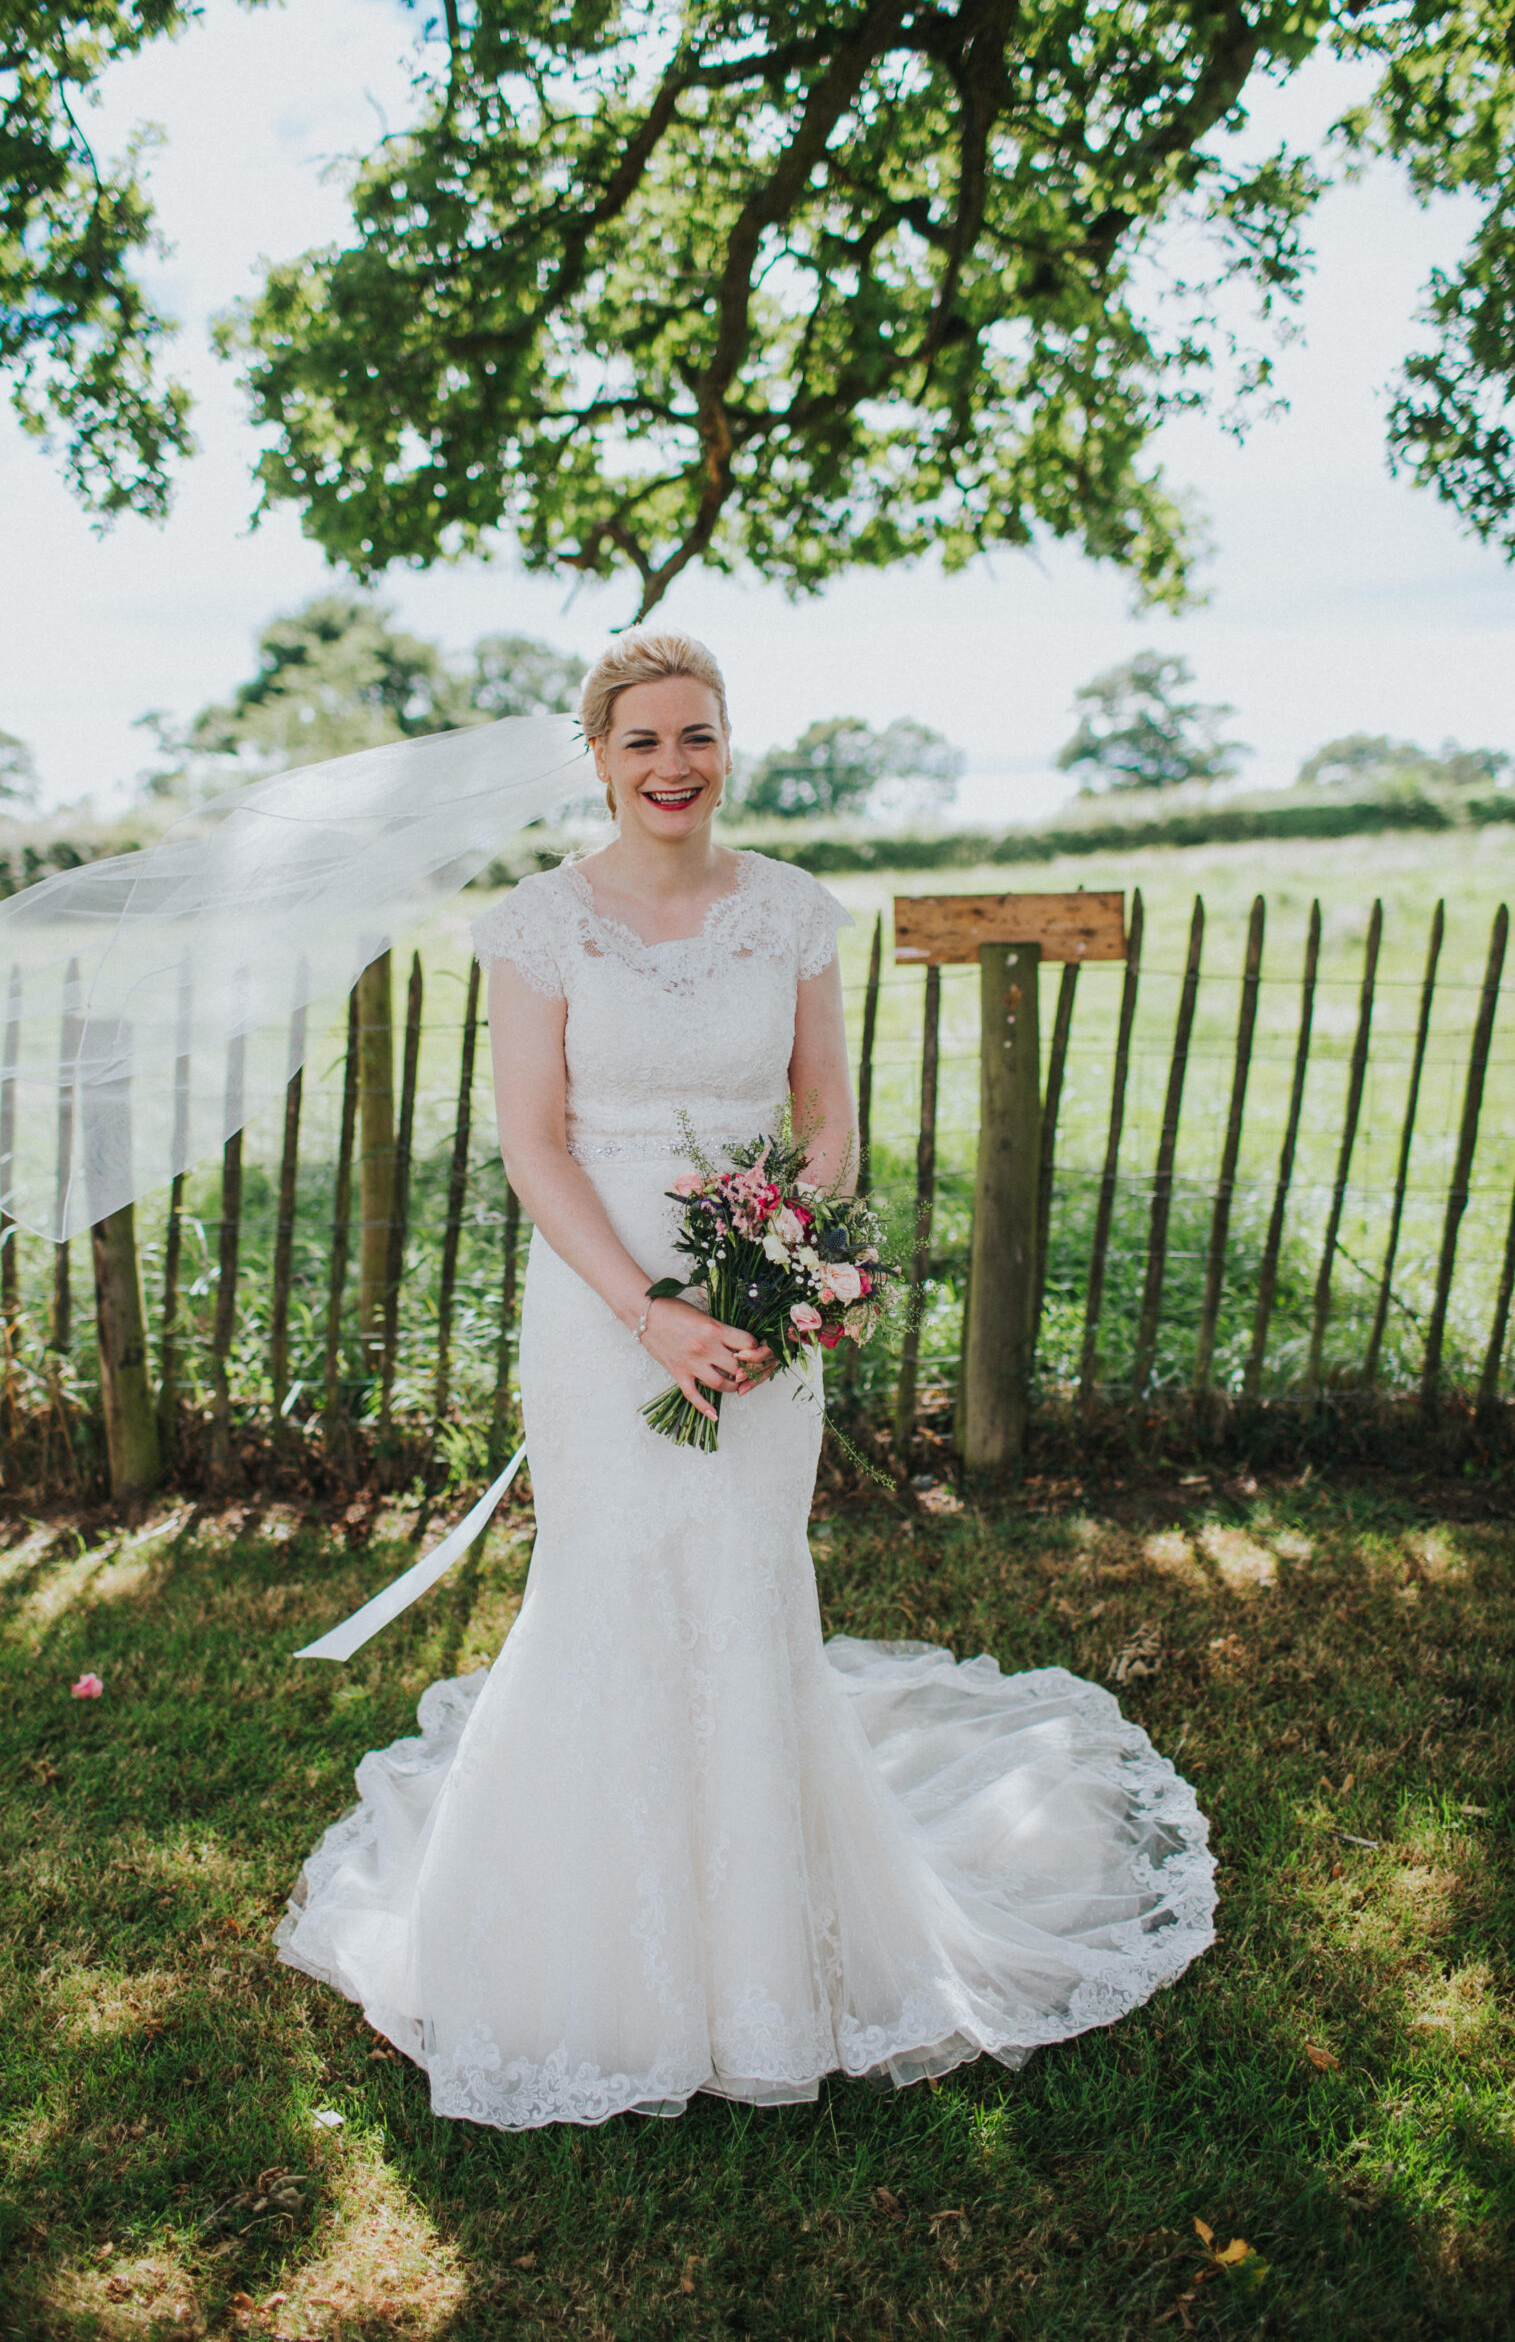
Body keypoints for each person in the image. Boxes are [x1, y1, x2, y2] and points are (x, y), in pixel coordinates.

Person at [275, 631, 1215, 2130]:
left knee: (743, 1576)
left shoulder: (791, 912)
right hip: (603, 1297)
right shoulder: (536, 928)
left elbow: (827, 1111)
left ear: (730, 746)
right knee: (612, 1577)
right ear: (598, 757)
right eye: (642, 741)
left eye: (696, 736)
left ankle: (768, 1957)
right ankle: (591, 1947)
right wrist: (651, 1310)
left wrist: (785, 1270)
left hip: (766, 1289)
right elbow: (532, 1142)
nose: (672, 766)